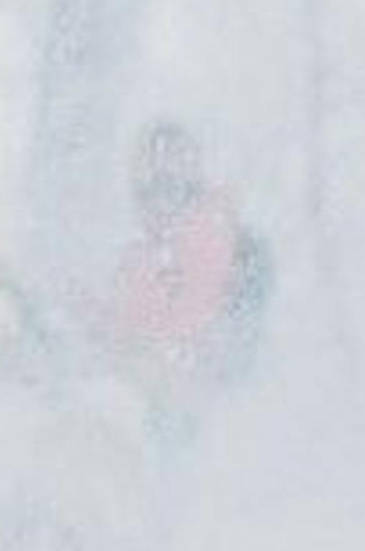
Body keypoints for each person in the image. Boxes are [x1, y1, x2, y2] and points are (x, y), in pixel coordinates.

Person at [91, 119, 271, 413]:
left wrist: (124, 352)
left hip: (186, 409)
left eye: (164, 186)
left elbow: (187, 331)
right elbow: (126, 321)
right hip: (149, 396)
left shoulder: (209, 235)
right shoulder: (150, 254)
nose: (152, 202)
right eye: (145, 190)